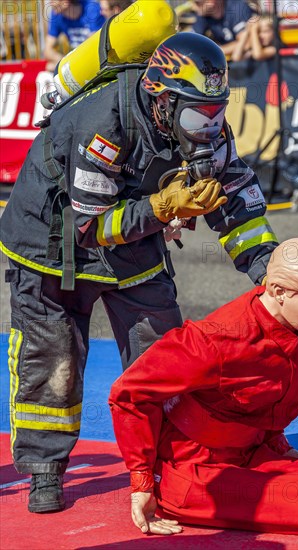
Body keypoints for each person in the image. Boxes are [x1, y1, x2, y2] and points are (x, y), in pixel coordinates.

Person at [0, 30, 278, 514]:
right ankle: (45, 470)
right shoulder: (103, 124)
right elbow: (90, 226)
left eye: (217, 111)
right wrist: (162, 208)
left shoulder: (207, 128)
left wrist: (269, 267)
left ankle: (172, 462)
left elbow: (237, 201)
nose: (209, 127)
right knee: (53, 362)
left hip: (134, 234)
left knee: (164, 354)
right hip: (52, 240)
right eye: (197, 113)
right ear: (163, 101)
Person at [109, 238, 298, 536]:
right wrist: (141, 482)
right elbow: (130, 393)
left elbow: (268, 394)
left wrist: (276, 443)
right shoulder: (216, 341)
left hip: (254, 455)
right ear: (278, 292)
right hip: (196, 474)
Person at [44, 0, 105, 71]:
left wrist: (68, 64)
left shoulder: (91, 8)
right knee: (50, 67)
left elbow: (94, 47)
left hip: (95, 59)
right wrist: (65, 62)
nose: (50, 3)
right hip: (76, 60)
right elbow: (47, 51)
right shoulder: (56, 14)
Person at [191, 0, 257, 59]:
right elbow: (192, 41)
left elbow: (247, 43)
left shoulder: (237, 7)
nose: (193, 7)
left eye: (197, 3)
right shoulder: (203, 14)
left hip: (251, 61)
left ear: (211, 2)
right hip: (227, 59)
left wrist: (213, 51)